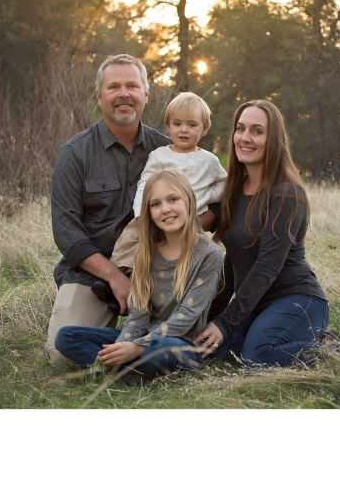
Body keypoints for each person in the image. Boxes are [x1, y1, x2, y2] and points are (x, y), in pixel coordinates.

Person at [45, 54, 217, 366]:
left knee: (177, 332)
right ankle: (143, 356)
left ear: (145, 94)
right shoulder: (75, 154)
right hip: (93, 276)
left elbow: (211, 197)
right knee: (62, 359)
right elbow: (66, 232)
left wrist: (188, 234)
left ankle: (150, 351)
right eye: (114, 87)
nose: (124, 94)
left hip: (160, 270)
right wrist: (114, 276)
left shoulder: (170, 150)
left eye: (132, 86)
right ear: (99, 96)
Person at [194, 99, 330, 367]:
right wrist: (210, 319)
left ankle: (337, 350)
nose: (246, 138)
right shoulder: (233, 190)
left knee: (256, 357)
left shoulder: (287, 193)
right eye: (241, 128)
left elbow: (266, 266)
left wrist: (225, 323)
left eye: (257, 131)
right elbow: (232, 261)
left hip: (297, 299)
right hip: (256, 304)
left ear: (273, 139)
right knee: (210, 352)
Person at [55, 168, 223, 376]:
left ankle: (109, 370)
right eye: (156, 204)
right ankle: (128, 371)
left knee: (165, 349)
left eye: (173, 199)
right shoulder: (146, 252)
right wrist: (122, 346)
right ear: (149, 213)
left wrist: (137, 347)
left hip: (180, 345)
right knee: (66, 337)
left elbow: (186, 318)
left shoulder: (209, 254)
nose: (165, 209)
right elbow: (139, 314)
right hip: (143, 339)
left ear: (189, 201)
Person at [107, 92, 227, 283]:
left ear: (204, 129)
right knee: (130, 240)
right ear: (169, 126)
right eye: (177, 124)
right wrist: (141, 213)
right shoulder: (160, 155)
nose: (184, 130)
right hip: (154, 215)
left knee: (179, 259)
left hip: (186, 221)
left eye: (192, 125)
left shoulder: (209, 161)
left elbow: (224, 184)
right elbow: (145, 184)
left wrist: (206, 196)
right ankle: (116, 276)